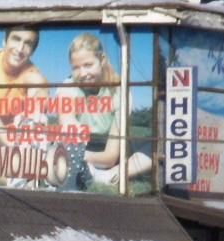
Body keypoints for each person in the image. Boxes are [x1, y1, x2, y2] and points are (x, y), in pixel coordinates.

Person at [55, 32, 153, 187]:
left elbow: (110, 157)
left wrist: (81, 157)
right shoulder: (68, 87)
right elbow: (67, 123)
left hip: (103, 150)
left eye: (88, 65)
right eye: (76, 68)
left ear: (102, 60)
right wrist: (73, 147)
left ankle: (108, 175)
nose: (82, 74)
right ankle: (80, 169)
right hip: (80, 145)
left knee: (155, 143)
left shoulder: (121, 92)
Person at [0, 26, 49, 148]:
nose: (20, 48)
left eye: (27, 44)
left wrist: (35, 109)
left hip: (7, 132)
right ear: (5, 41)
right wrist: (13, 146)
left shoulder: (33, 74)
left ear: (32, 51)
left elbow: (40, 89)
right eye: (16, 39)